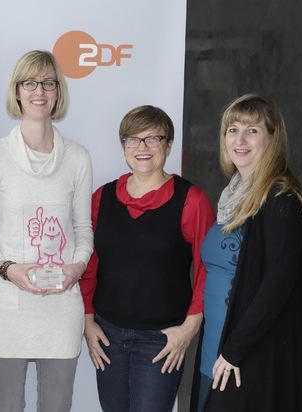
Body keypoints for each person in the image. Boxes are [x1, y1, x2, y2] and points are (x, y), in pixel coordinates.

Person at [0, 50, 93, 412]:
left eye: (48, 83)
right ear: (17, 91)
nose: (39, 91)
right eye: (30, 83)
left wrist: (76, 268)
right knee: (7, 406)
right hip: (7, 307)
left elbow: (83, 229)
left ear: (58, 92)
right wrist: (8, 269)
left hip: (61, 307)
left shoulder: (78, 158)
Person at [79, 105, 215, 412]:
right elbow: (89, 265)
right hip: (108, 335)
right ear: (123, 146)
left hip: (161, 340)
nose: (142, 147)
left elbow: (207, 270)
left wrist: (189, 330)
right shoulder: (102, 197)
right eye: (133, 139)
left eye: (153, 138)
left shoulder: (191, 201)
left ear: (169, 144)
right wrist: (87, 320)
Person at [191, 93, 302, 411]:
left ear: (272, 138)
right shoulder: (232, 196)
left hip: (250, 356)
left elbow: (277, 285)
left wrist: (236, 350)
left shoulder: (281, 199)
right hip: (215, 349)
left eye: (253, 130)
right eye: (232, 130)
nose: (240, 140)